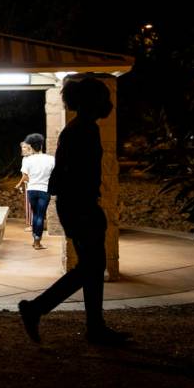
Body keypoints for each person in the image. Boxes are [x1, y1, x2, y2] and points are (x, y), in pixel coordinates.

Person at [19, 76, 131, 346]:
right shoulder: (82, 131)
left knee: (92, 267)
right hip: (81, 208)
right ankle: (36, 309)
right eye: (104, 99)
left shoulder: (79, 129)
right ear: (92, 102)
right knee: (91, 266)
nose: (109, 104)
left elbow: (61, 178)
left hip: (78, 206)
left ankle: (95, 326)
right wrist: (87, 208)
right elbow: (69, 177)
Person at [17, 133, 56, 249]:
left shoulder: (27, 160)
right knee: (40, 215)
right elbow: (55, 175)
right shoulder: (51, 159)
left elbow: (25, 176)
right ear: (41, 145)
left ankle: (35, 240)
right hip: (45, 190)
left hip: (32, 189)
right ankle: (37, 242)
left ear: (31, 146)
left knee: (35, 215)